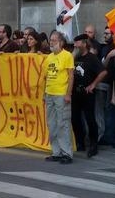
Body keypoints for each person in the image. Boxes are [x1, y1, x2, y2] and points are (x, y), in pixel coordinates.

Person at [70, 33, 106, 158]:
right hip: (75, 92)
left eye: (77, 43)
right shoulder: (74, 57)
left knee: (90, 119)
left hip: (87, 93)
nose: (75, 45)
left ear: (84, 44)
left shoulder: (91, 58)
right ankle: (80, 142)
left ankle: (93, 144)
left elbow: (103, 72)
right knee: (75, 118)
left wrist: (93, 84)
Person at [43, 30, 75, 164]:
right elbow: (45, 77)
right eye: (51, 40)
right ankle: (56, 152)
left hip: (61, 94)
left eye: (54, 40)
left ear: (61, 42)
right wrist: (44, 94)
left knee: (63, 124)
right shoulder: (49, 57)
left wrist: (68, 94)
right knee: (52, 124)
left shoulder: (67, 55)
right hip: (50, 93)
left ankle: (66, 153)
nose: (51, 42)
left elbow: (71, 76)